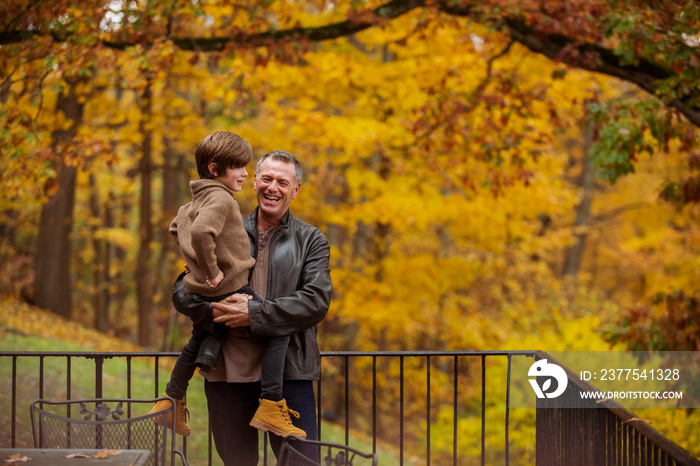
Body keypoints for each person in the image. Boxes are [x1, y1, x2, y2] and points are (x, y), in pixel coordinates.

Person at [171, 150, 332, 465]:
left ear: (295, 189)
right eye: (267, 178)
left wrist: (254, 314)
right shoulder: (223, 224)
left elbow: (316, 301)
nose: (273, 187)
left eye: (282, 182)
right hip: (227, 373)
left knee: (302, 463)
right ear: (255, 180)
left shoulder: (311, 240)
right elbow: (183, 290)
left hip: (289, 374)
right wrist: (215, 312)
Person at [152, 133, 305, 440]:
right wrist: (208, 269)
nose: (245, 173)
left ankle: (170, 399)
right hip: (230, 286)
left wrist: (193, 261)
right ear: (214, 169)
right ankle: (272, 405)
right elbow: (200, 233)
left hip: (207, 292)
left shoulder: (194, 200)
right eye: (238, 166)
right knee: (279, 327)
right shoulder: (221, 198)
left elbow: (177, 227)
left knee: (196, 340)